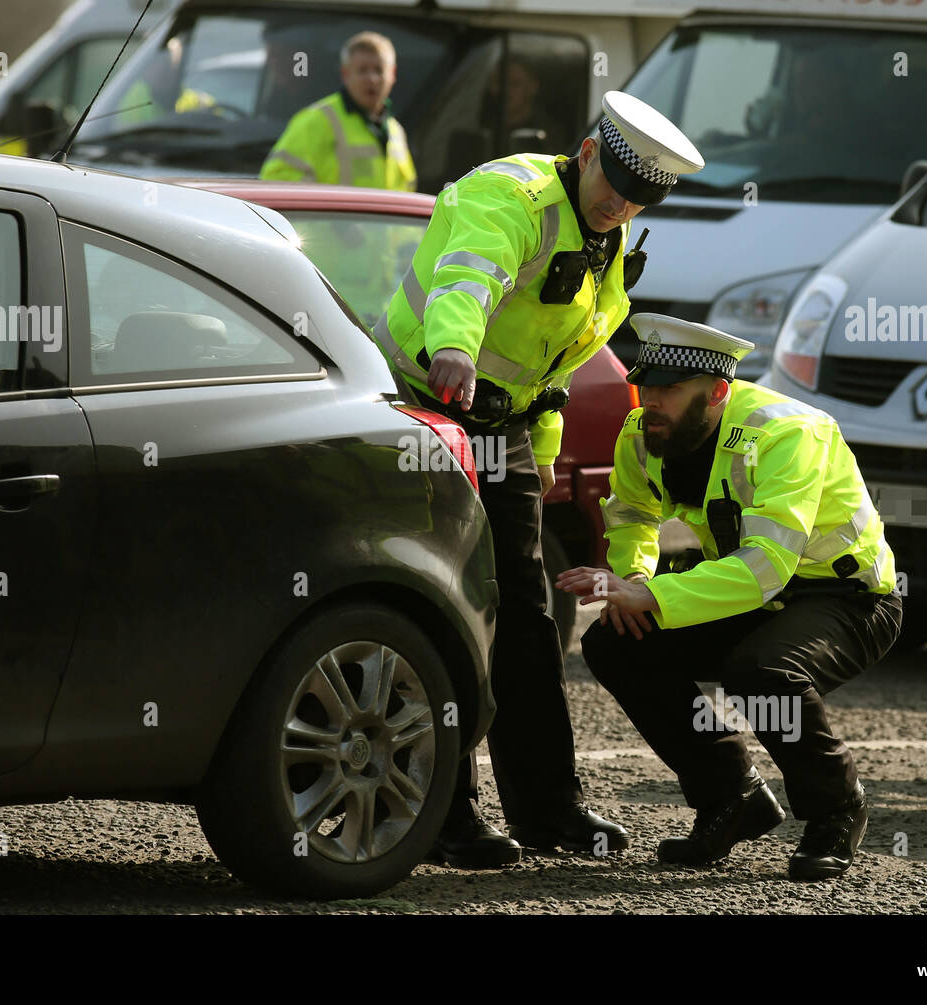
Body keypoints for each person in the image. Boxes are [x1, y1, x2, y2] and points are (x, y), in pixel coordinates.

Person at [371, 91, 705, 867]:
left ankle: (550, 808)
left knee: (525, 621)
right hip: (426, 411)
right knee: (445, 612)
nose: (621, 203)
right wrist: (455, 341)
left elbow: (551, 362)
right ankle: (444, 811)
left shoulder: (607, 238)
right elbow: (472, 269)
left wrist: (543, 450)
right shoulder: (513, 194)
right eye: (615, 182)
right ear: (588, 152)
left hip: (506, 429)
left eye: (640, 197)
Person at [557, 316, 903, 880]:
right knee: (616, 643)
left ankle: (835, 810)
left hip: (847, 598)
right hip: (750, 589)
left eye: (670, 391)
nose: (653, 404)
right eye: (647, 388)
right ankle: (731, 797)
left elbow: (769, 564)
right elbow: (630, 516)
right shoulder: (645, 432)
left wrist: (653, 595)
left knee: (763, 671)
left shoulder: (789, 433)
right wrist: (633, 584)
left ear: (718, 391)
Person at [260, 31, 416, 191]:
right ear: (345, 74)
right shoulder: (316, 120)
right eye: (362, 70)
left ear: (393, 74)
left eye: (379, 70)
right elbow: (275, 180)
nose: (372, 79)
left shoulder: (395, 131)